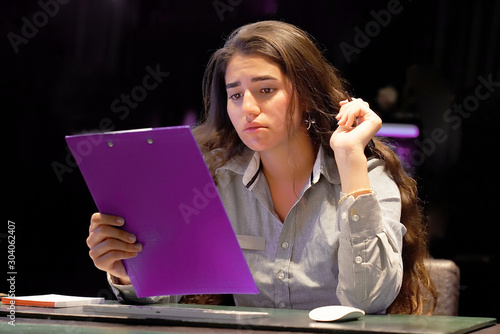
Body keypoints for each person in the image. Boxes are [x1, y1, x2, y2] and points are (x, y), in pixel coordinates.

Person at [86, 20, 436, 314]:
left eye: (265, 89)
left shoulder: (367, 175)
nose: (247, 108)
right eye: (235, 95)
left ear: (306, 93)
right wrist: (129, 273)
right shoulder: (218, 183)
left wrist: (349, 159)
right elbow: (170, 295)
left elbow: (368, 300)